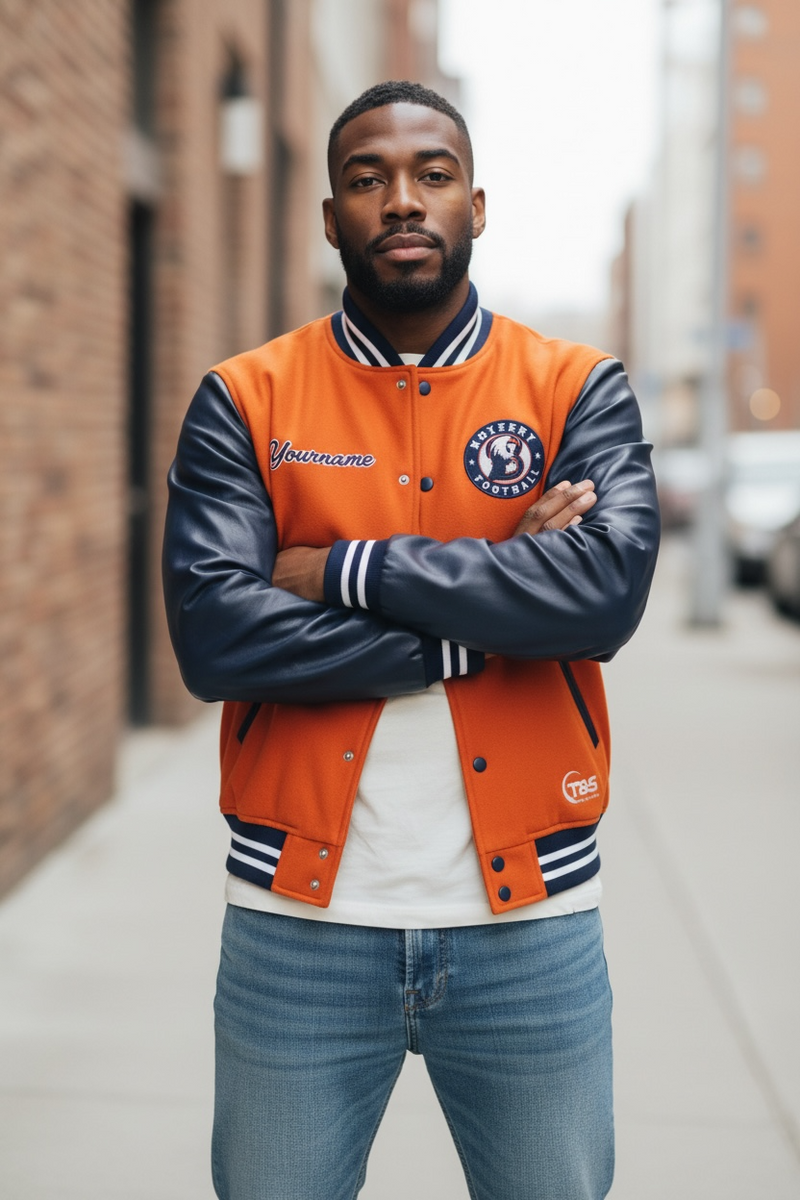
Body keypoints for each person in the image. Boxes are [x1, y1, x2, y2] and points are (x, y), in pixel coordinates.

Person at [163, 80, 660, 1200]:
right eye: (366, 178)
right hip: (296, 927)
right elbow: (213, 637)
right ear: (329, 216)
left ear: (474, 206)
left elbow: (601, 599)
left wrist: (339, 570)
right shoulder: (244, 399)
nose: (401, 200)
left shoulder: (574, 388)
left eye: (431, 176)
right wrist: (478, 624)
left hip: (529, 926)